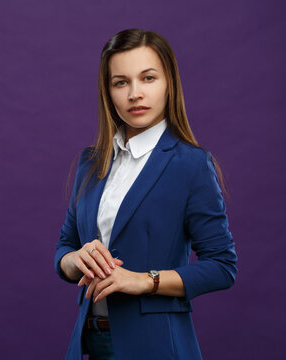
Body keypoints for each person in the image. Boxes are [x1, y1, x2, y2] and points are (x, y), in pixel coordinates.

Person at [54, 28, 238, 360]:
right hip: (87, 343)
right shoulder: (91, 163)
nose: (135, 93)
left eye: (148, 78)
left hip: (156, 347)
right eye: (121, 82)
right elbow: (64, 249)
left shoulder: (191, 165)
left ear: (169, 83)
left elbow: (223, 266)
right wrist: (74, 260)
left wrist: (144, 281)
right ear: (108, 91)